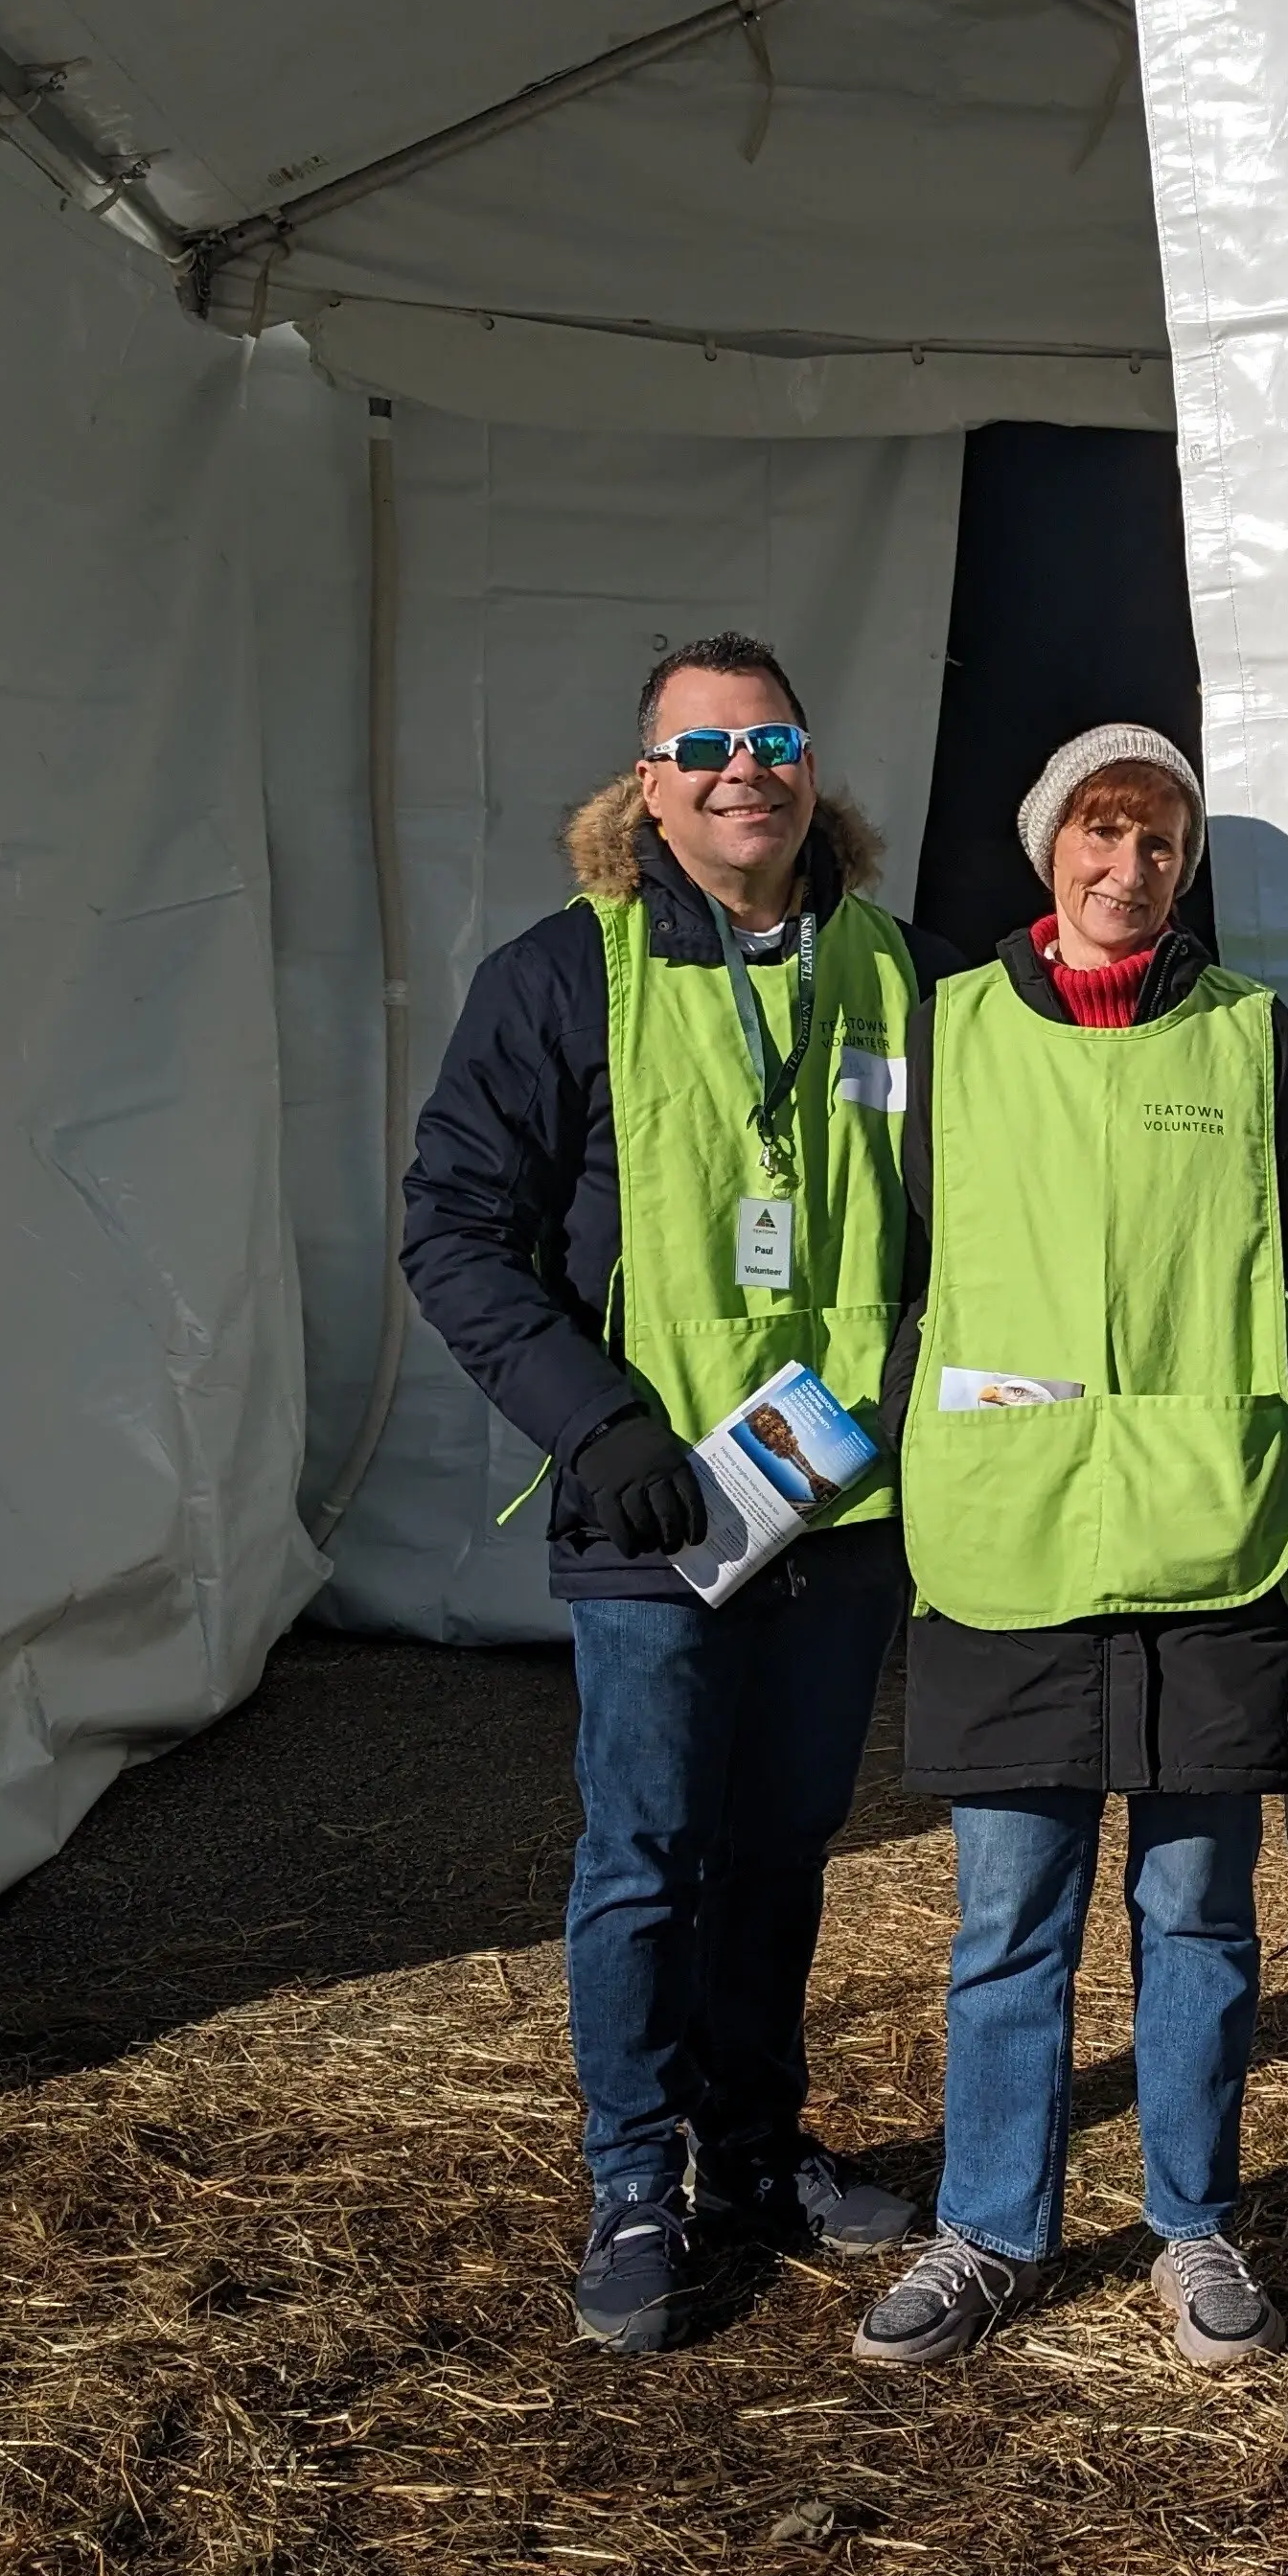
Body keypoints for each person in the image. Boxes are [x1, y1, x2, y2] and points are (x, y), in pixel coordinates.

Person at [402, 631, 949, 2356]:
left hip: (836, 1510)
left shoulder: (906, 978)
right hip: (655, 1512)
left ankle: (754, 2150)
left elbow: (962, 1225)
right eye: (704, 745)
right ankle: (635, 2179)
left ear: (812, 768)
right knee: (646, 1859)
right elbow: (456, 1229)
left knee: (785, 1853)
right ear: (646, 784)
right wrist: (598, 1424)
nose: (744, 770)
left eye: (773, 738)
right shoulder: (564, 978)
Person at [859, 727, 1288, 2372]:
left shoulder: (1255, 1041)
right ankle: (990, 2228)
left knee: (1199, 1914)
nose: (1131, 870)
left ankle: (1192, 2221)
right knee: (1009, 1923)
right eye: (1103, 833)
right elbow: (903, 1263)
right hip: (1016, 1536)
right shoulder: (954, 1025)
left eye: (1164, 845)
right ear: (1048, 843)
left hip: (1211, 1537)